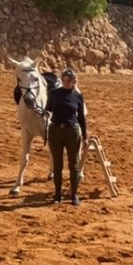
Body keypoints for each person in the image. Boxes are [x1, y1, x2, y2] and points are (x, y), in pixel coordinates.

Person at [47, 67, 87, 205]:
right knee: (57, 164)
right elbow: (48, 109)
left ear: (74, 81)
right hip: (55, 131)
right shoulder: (54, 93)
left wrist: (85, 136)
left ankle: (74, 195)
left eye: (69, 80)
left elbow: (81, 118)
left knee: (74, 165)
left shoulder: (78, 96)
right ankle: (57, 194)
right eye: (64, 80)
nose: (67, 83)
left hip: (72, 132)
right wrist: (45, 113)